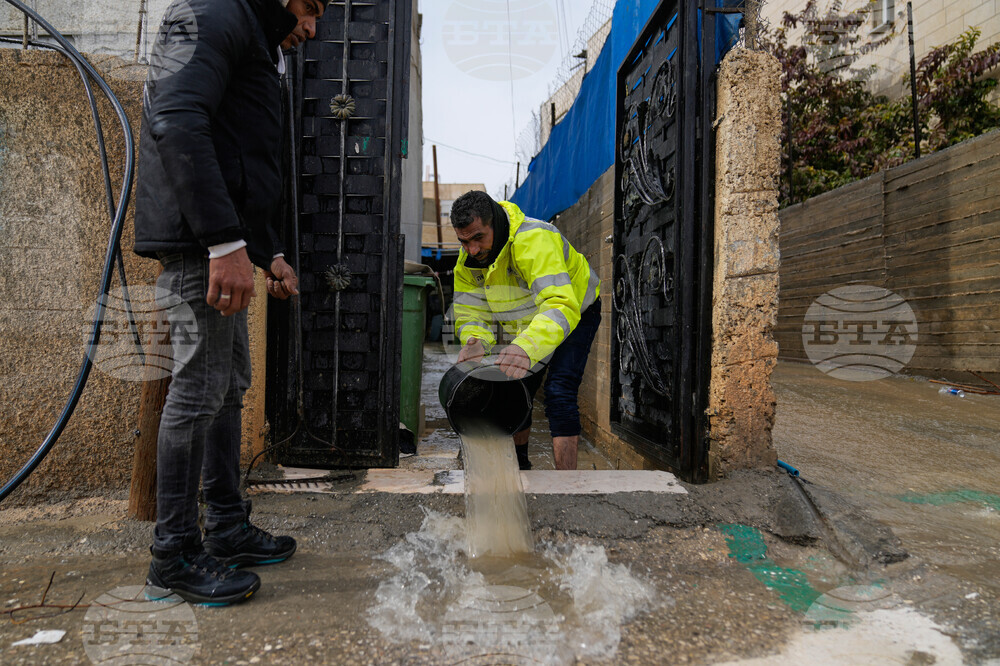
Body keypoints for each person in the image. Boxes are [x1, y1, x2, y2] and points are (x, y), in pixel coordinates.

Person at [133, 0, 326, 605]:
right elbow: (176, 120)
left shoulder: (251, 34)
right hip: (200, 247)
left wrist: (267, 252)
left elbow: (241, 153)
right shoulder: (213, 12)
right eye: (311, 8)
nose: (312, 28)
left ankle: (224, 524)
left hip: (221, 245)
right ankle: (172, 557)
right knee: (197, 391)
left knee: (227, 384)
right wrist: (222, 242)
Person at [450, 191, 601, 471]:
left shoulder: (534, 239)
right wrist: (475, 339)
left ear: (495, 222)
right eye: (464, 241)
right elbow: (471, 310)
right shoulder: (468, 261)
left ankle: (567, 484)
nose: (472, 250)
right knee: (514, 389)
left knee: (559, 390)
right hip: (525, 319)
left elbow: (559, 304)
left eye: (478, 238)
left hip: (574, 310)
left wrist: (525, 347)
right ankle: (519, 468)